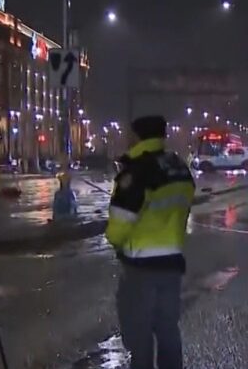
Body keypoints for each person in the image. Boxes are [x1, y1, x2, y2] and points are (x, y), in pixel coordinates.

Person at [106, 115, 195, 369]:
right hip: (172, 263)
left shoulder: (137, 172)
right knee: (168, 329)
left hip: (140, 267)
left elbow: (119, 227)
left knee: (140, 333)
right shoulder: (178, 167)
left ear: (137, 137)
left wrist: (115, 240)